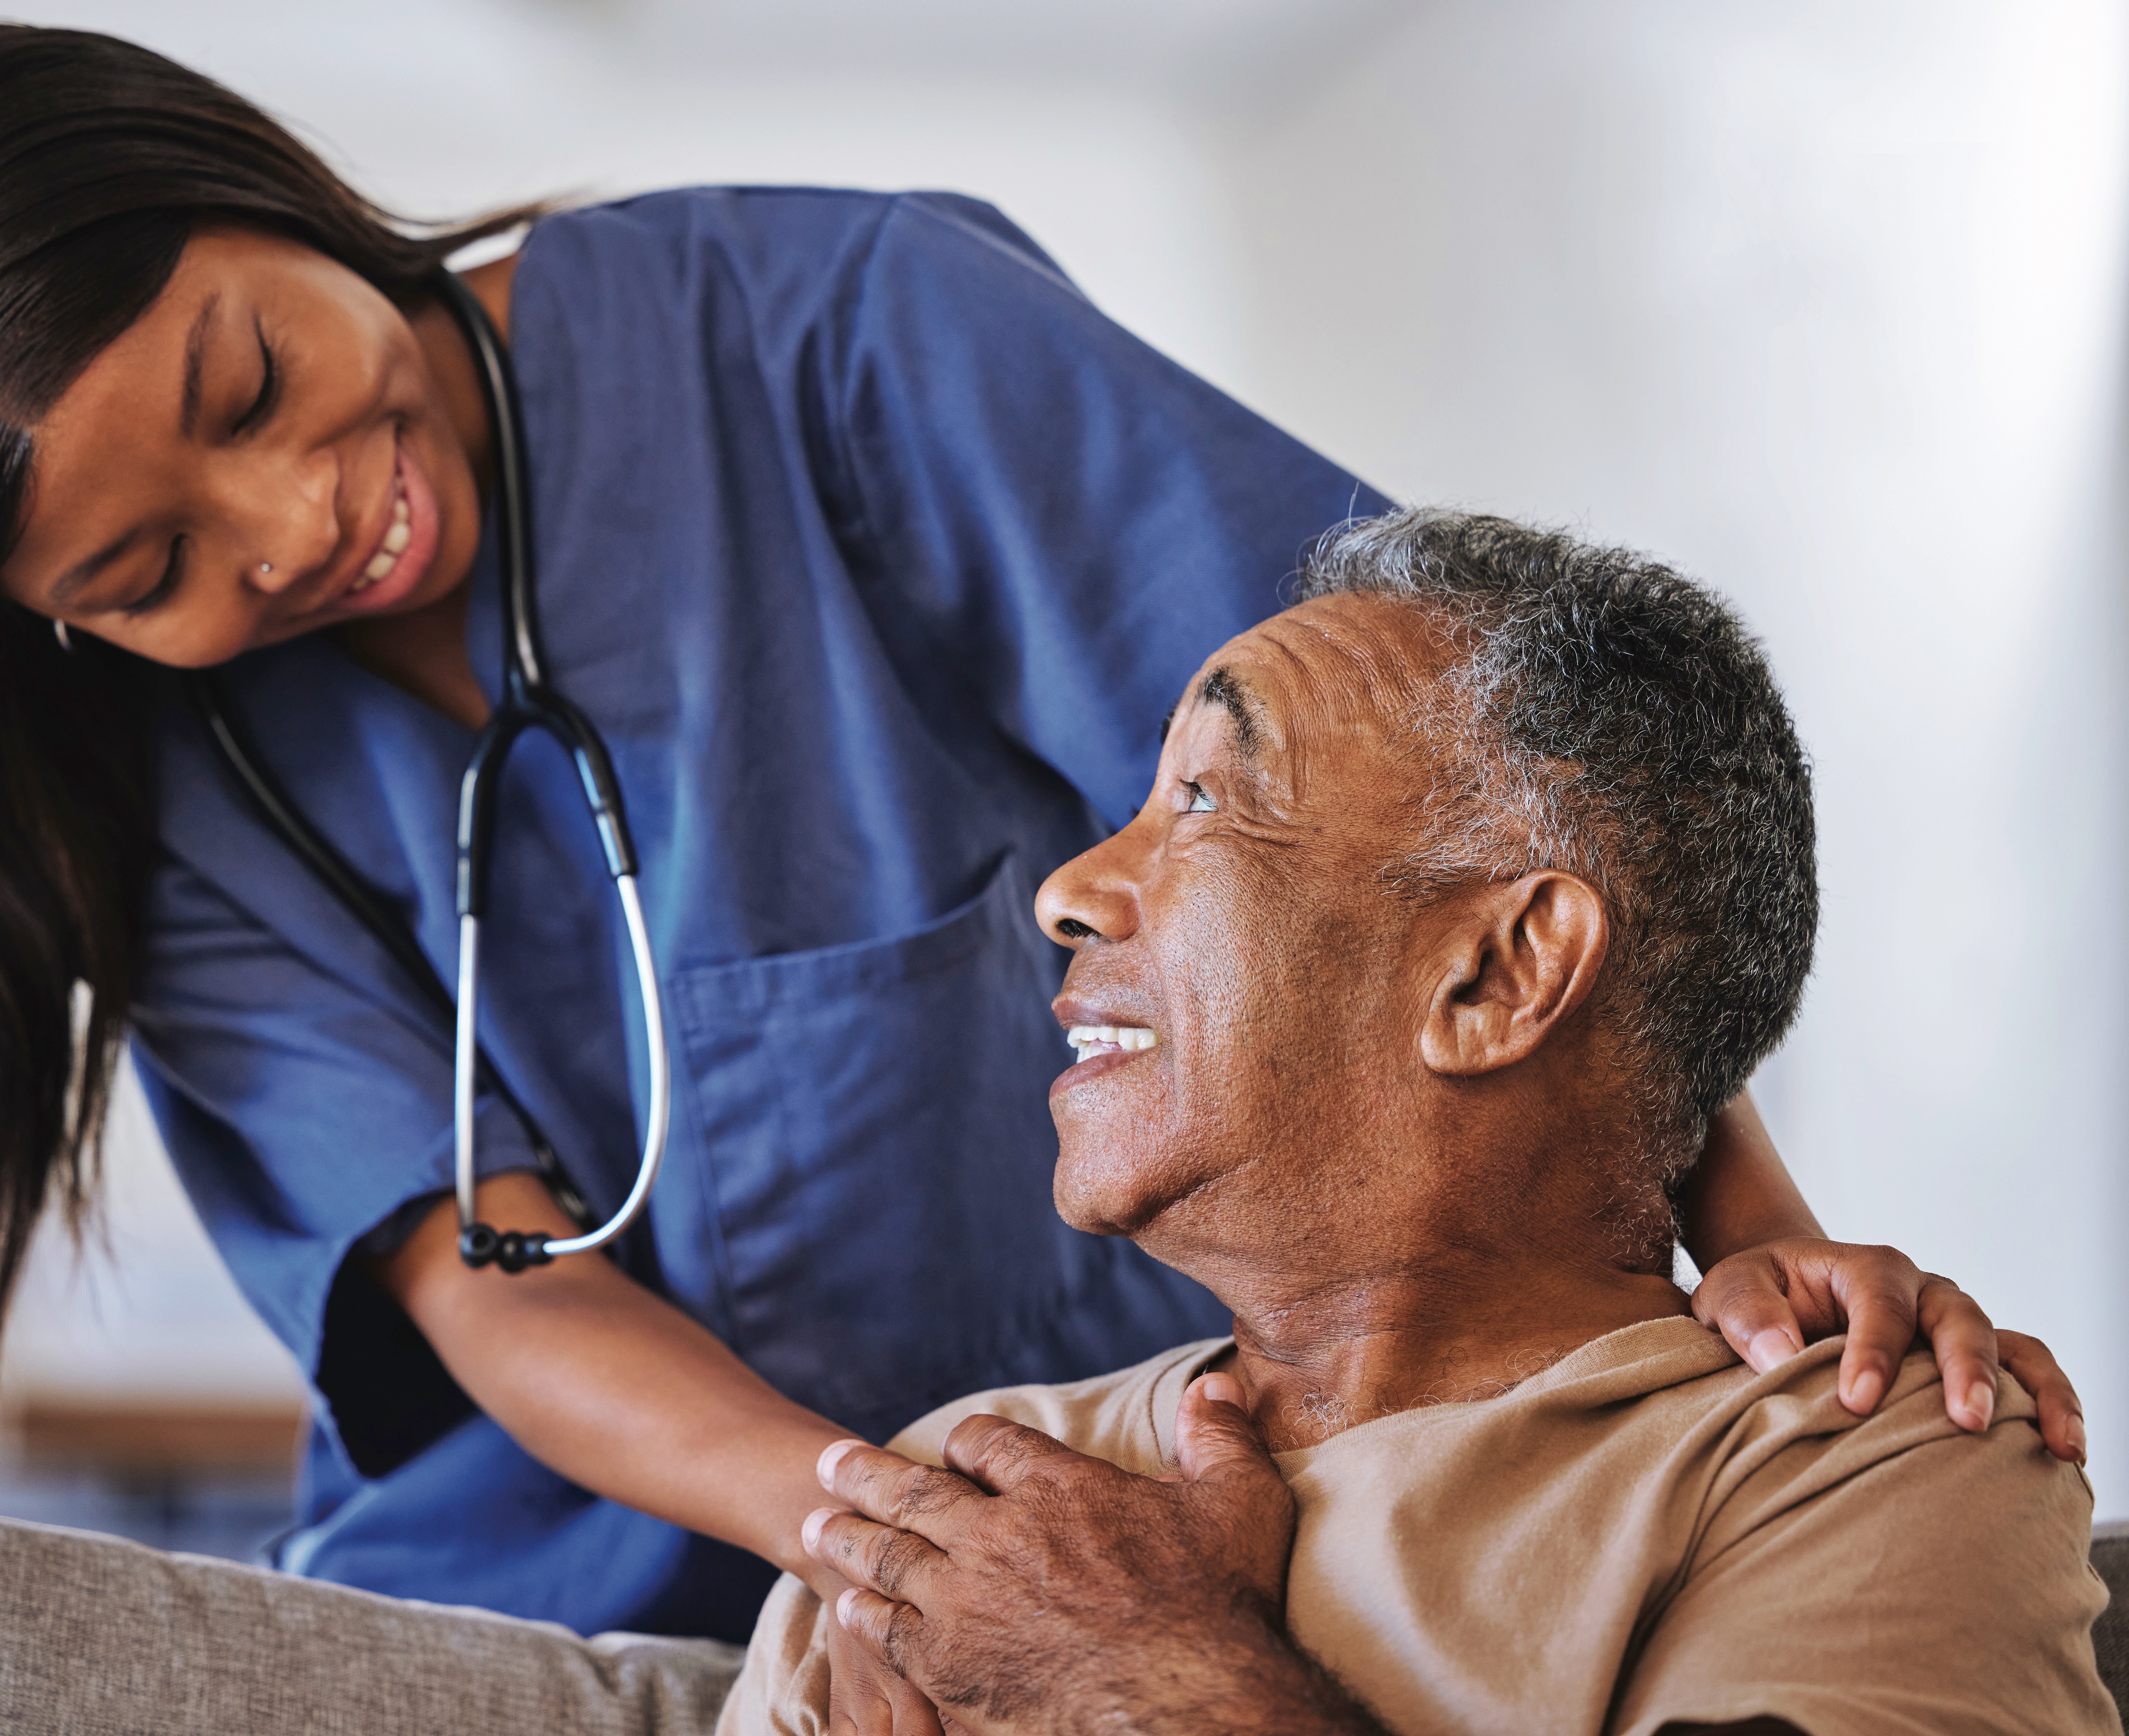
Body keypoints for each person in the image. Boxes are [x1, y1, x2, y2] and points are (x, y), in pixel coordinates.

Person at [0, 13, 2080, 1657]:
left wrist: (1758, 1261)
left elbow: (1450, 816)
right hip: (585, 1611)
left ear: (230, 182)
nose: (284, 530)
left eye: (250, 381)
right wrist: (889, 1536)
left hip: (1194, 1515)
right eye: (135, 573)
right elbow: (489, 1277)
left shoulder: (827, 335)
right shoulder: (180, 789)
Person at [756, 512, 2116, 1736]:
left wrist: (1134, 1665)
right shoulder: (952, 1508)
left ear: (1497, 974)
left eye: (1204, 800)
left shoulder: (1858, 1460)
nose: (1068, 890)